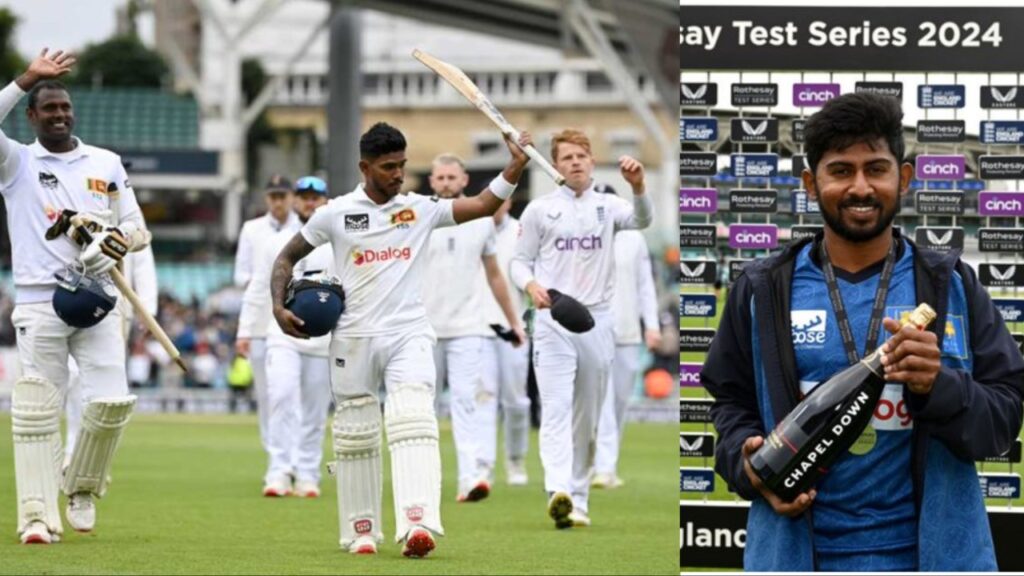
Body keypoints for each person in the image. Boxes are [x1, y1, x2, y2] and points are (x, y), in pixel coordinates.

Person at [702, 92, 1024, 571]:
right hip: (795, 558)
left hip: (935, 559)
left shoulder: (952, 284)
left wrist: (938, 386)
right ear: (811, 183)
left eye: (876, 169)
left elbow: (1003, 420)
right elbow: (730, 403)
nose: (859, 187)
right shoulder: (762, 287)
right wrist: (744, 462)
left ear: (904, 178)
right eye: (840, 171)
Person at [270, 122, 532, 557]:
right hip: (353, 336)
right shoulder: (335, 213)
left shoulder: (419, 208)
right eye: (388, 167)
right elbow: (286, 258)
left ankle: (417, 524)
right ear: (365, 167)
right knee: (356, 431)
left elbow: (485, 204)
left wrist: (516, 165)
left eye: (402, 165)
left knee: (413, 419)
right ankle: (361, 530)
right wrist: (279, 307)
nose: (398, 174)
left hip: (408, 334)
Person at [0, 49, 152, 544]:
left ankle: (81, 487)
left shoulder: (105, 163)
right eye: (49, 108)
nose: (60, 115)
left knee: (110, 402)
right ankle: (36, 515)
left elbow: (137, 226)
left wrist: (116, 242)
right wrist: (26, 79)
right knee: (39, 411)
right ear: (31, 116)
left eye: (65, 107)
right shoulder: (16, 162)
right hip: (40, 300)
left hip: (99, 299)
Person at [508, 129, 652, 529]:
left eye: (581, 156)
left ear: (591, 161)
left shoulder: (609, 205)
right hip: (552, 320)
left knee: (587, 418)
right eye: (567, 157)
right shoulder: (539, 210)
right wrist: (530, 285)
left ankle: (580, 499)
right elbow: (518, 261)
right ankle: (559, 490)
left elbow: (642, 220)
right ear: (555, 164)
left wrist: (639, 186)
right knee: (555, 409)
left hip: (596, 321)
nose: (575, 162)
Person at [421, 154, 526, 502]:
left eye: (452, 177)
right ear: (432, 181)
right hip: (424, 329)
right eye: (440, 177)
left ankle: (469, 478)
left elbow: (495, 276)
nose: (446, 183)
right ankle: (423, 479)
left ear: (464, 180)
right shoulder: (420, 215)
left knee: (467, 402)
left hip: (468, 327)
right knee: (424, 407)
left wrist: (514, 321)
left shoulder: (481, 220)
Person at [261, 175, 334, 498]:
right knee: (281, 397)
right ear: (295, 201)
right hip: (282, 334)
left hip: (322, 340)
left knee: (315, 411)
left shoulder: (338, 241)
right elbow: (262, 286)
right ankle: (279, 470)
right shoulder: (277, 240)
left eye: (315, 197)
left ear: (326, 201)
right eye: (304, 197)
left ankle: (307, 473)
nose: (309, 202)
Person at [65, 245, 158, 463]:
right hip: (70, 296)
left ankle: (93, 459)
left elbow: (142, 260)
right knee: (73, 376)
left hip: (114, 307)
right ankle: (71, 449)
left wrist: (148, 309)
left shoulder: (131, 221)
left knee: (108, 384)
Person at [234, 175, 300, 474]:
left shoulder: (303, 227)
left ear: (291, 197)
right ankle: (275, 456)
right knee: (267, 395)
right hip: (261, 321)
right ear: (266, 199)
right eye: (273, 196)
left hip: (293, 319)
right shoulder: (252, 229)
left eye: (282, 196)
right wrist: (265, 281)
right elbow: (241, 274)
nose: (278, 202)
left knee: (291, 393)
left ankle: (294, 458)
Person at [592, 225, 661, 489]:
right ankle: (604, 468)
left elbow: (645, 286)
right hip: (595, 330)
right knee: (603, 401)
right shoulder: (589, 234)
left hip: (628, 332)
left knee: (620, 400)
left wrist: (651, 325)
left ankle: (605, 461)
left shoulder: (634, 239)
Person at [477, 196, 532, 487]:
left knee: (516, 399)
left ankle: (515, 459)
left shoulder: (521, 231)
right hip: (479, 325)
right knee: (484, 397)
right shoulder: (473, 228)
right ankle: (483, 465)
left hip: (514, 328)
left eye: (500, 201)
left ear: (508, 203)